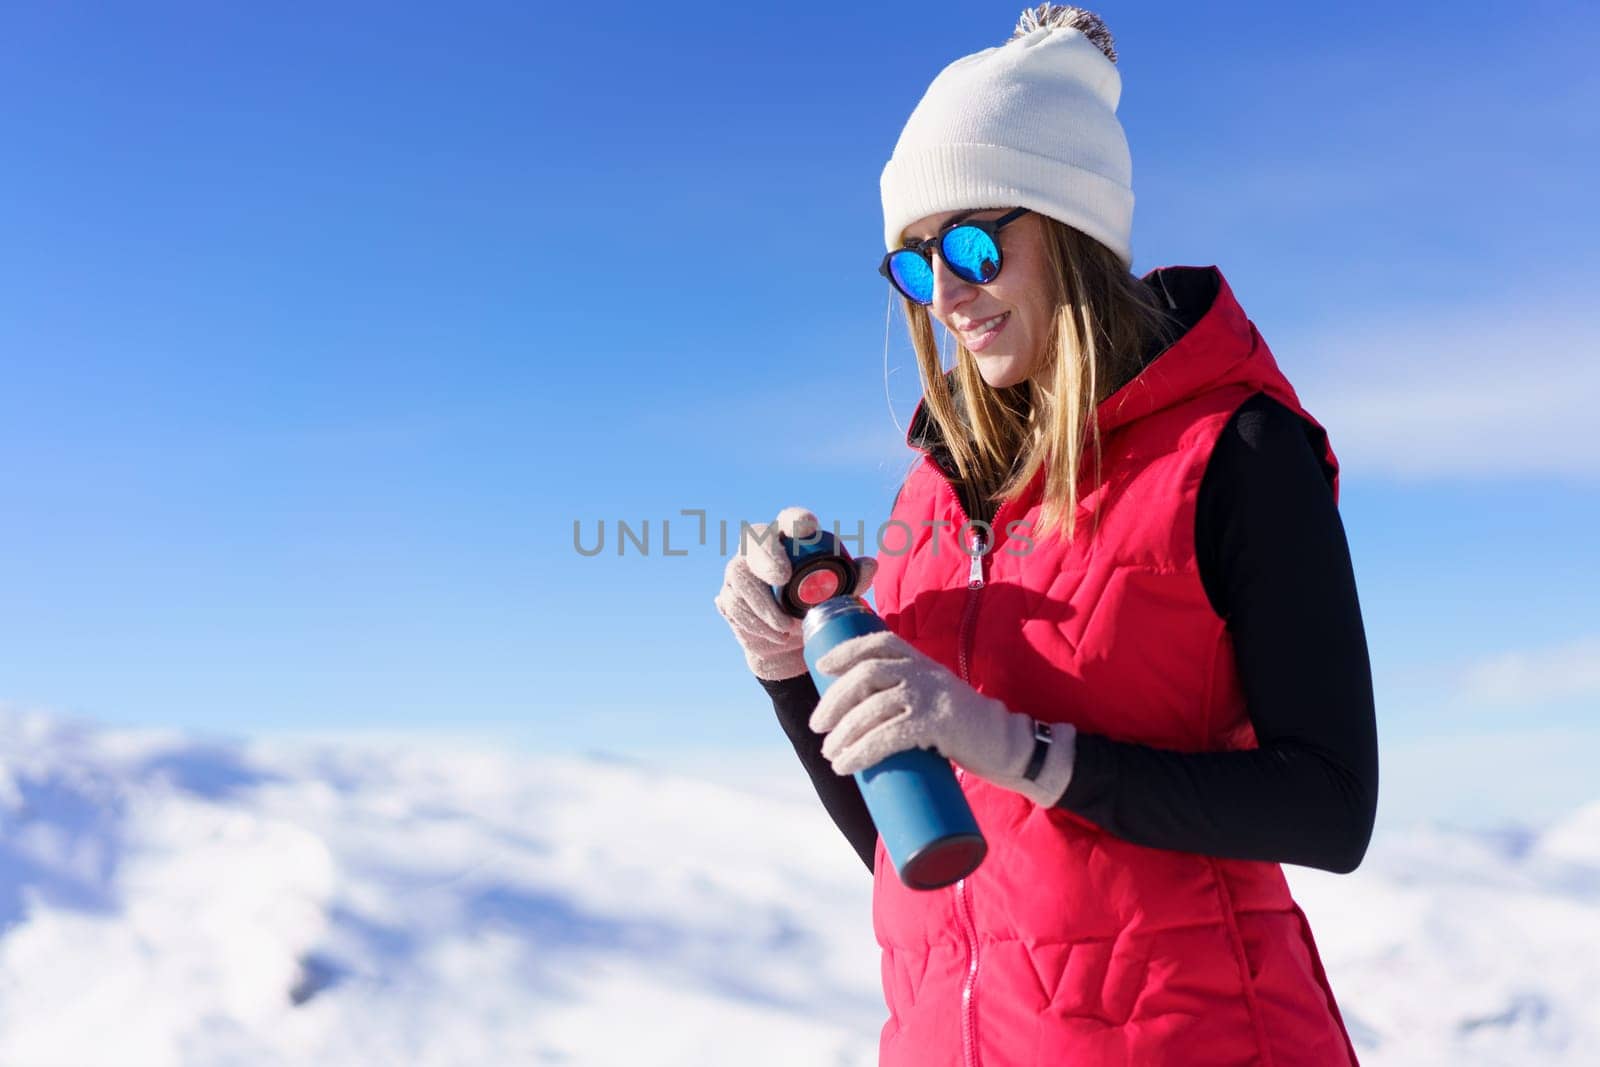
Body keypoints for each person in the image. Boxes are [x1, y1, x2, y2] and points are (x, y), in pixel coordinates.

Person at [713, 5, 1378, 1065]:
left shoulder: (1238, 451)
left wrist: (1021, 748)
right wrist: (790, 673)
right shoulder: (928, 501)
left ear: (1069, 229)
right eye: (917, 265)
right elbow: (916, 852)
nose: (951, 294)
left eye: (974, 242)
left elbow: (1331, 807)